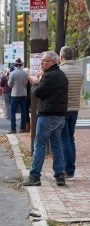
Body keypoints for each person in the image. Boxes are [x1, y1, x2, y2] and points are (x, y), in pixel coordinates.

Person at [23, 51, 68, 187]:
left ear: (53, 62)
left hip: (47, 115)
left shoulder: (49, 76)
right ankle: (60, 175)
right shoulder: (61, 75)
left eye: (45, 61)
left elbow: (38, 93)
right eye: (42, 60)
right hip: (60, 116)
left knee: (40, 146)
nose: (42, 63)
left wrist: (35, 83)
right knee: (57, 146)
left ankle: (34, 176)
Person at [58, 45, 83, 179]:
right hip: (75, 108)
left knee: (64, 139)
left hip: (63, 108)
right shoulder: (80, 70)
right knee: (70, 138)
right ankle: (71, 168)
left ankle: (67, 168)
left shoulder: (61, 70)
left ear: (62, 56)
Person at [7, 58, 29, 134]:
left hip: (15, 95)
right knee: (23, 112)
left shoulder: (12, 73)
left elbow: (9, 85)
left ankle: (13, 129)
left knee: (12, 112)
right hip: (23, 94)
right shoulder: (25, 73)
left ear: (15, 65)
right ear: (21, 65)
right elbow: (26, 83)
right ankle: (22, 128)